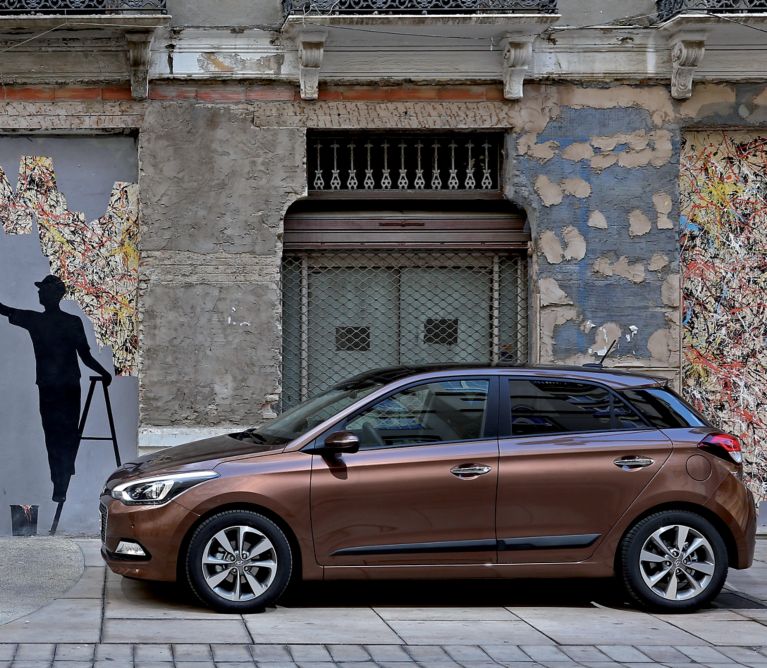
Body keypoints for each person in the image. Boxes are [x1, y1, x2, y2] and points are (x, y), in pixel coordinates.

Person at [0, 275, 112, 502]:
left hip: (55, 387)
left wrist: (104, 372)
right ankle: (62, 478)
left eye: (42, 291)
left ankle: (60, 480)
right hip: (64, 385)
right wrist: (103, 372)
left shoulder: (38, 321)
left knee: (55, 435)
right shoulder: (66, 321)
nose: (39, 294)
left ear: (52, 294)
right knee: (65, 433)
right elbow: (86, 356)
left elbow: (4, 309)